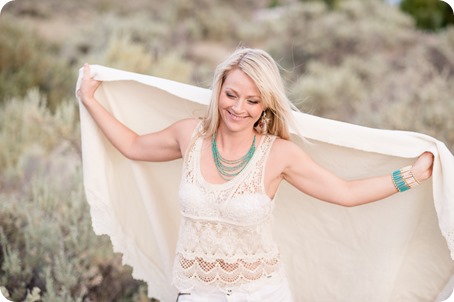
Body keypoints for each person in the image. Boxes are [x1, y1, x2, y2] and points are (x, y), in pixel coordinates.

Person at [78, 47, 434, 302]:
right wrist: (91, 100)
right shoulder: (189, 136)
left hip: (261, 293)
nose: (238, 108)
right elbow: (134, 145)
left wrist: (411, 176)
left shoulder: (278, 154)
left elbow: (344, 192)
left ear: (265, 104)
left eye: (252, 100)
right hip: (196, 292)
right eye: (231, 94)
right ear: (218, 90)